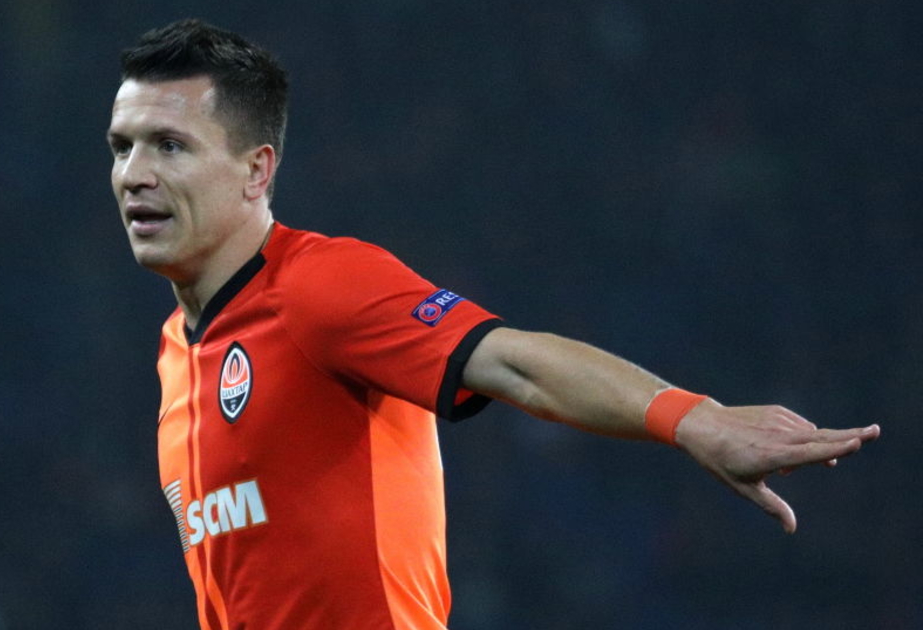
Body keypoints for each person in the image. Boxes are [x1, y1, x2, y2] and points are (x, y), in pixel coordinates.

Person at [107, 18, 880, 630]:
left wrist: (693, 419)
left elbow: (515, 362)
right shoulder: (177, 350)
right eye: (122, 147)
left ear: (257, 170)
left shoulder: (318, 284)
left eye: (170, 146)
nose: (135, 174)